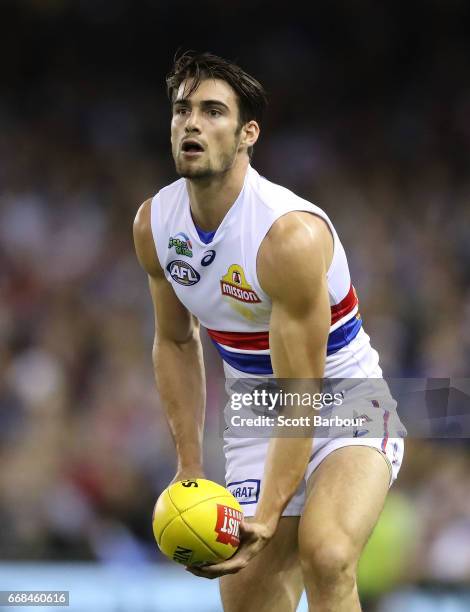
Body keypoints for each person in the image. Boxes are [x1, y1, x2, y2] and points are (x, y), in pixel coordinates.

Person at [133, 51, 405, 612]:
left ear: (247, 134)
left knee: (326, 554)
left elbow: (302, 392)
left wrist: (271, 507)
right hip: (258, 412)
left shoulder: (287, 237)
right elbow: (177, 341)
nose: (191, 123)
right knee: (248, 596)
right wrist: (189, 468)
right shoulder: (154, 225)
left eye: (212, 112)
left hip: (345, 403)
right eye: (183, 110)